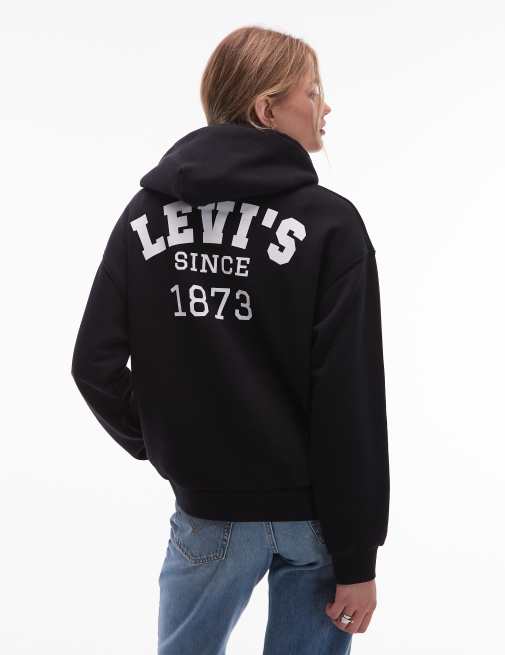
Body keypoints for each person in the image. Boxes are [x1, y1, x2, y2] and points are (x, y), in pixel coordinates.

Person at [71, 25, 390, 655]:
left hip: (208, 514)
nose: (325, 106)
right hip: (314, 523)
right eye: (312, 91)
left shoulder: (145, 216)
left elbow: (93, 363)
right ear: (267, 108)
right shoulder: (331, 225)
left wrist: (174, 445)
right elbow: (349, 399)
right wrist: (358, 557)